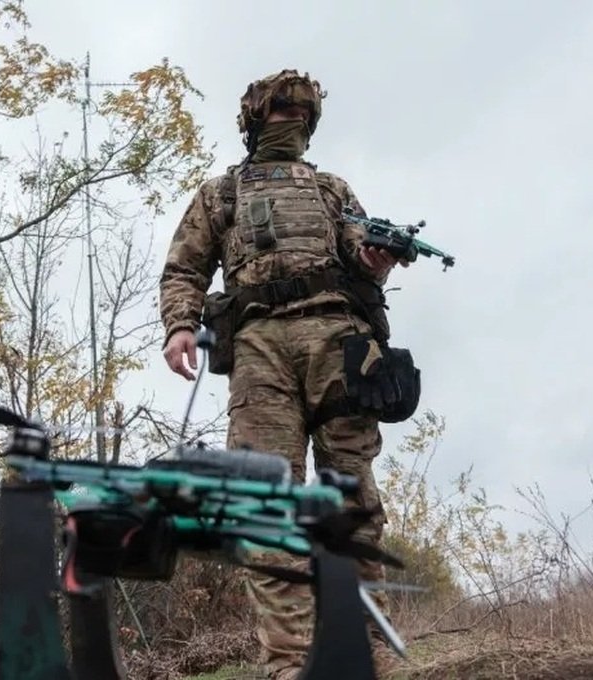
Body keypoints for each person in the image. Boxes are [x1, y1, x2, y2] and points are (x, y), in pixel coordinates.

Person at [158, 68, 416, 679]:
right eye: (281, 113)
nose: (292, 124)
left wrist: (377, 263)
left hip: (338, 344)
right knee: (265, 502)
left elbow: (361, 252)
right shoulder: (220, 194)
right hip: (259, 350)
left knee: (352, 498)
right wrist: (178, 325)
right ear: (255, 122)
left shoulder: (333, 191)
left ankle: (362, 654)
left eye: (300, 116)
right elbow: (184, 269)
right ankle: (289, 665)